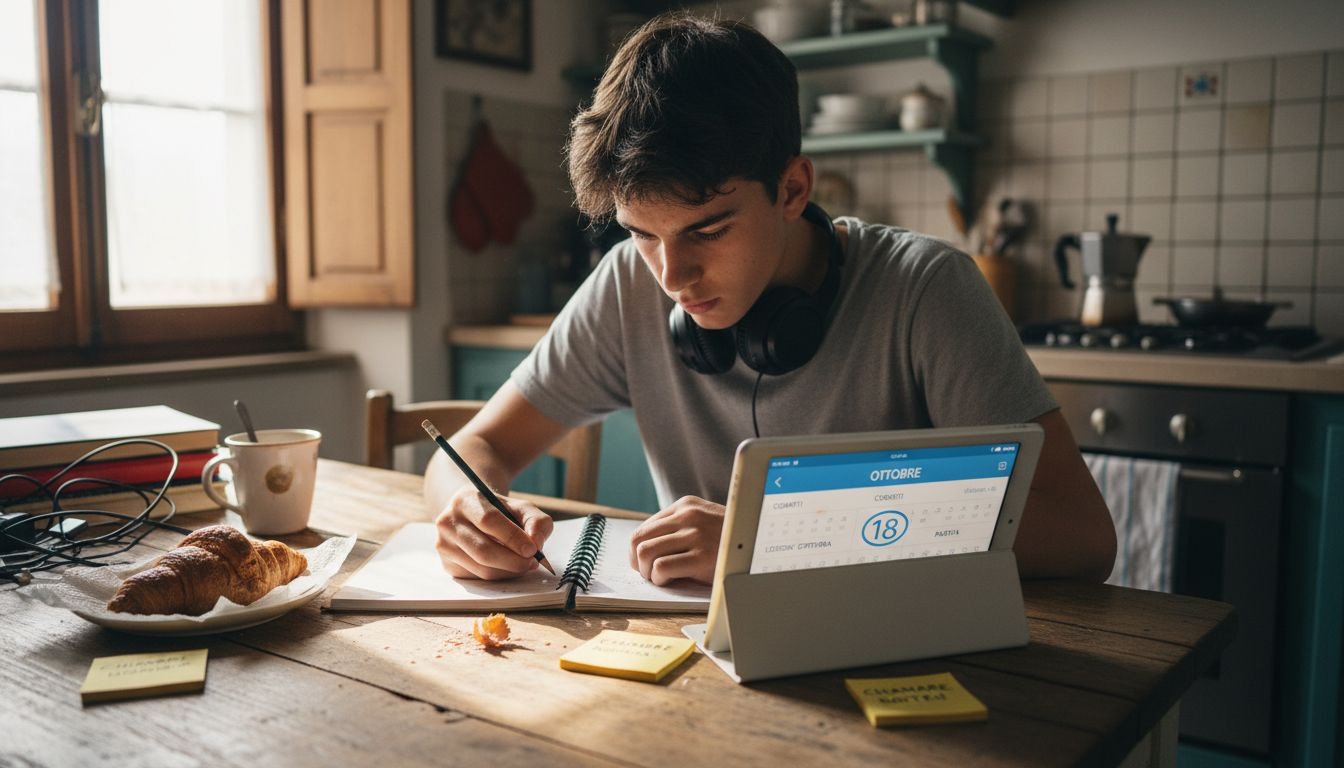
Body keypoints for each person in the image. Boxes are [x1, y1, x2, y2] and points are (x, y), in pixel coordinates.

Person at [425, 13, 1116, 585]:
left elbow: (1082, 536)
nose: (672, 274)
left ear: (792, 189)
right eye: (641, 234)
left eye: (708, 229)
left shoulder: (928, 289)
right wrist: (466, 507)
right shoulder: (625, 284)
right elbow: (473, 446)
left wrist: (778, 532)